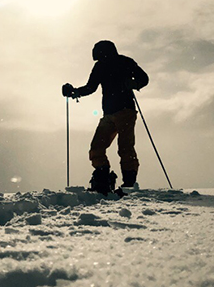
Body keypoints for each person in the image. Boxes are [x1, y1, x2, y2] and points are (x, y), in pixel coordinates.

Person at [62, 40, 149, 195]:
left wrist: (134, 84)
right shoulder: (118, 63)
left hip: (123, 111)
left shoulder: (117, 63)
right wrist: (75, 92)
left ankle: (124, 183)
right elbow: (91, 87)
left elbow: (143, 79)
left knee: (123, 147)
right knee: (101, 147)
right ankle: (109, 180)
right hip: (112, 113)